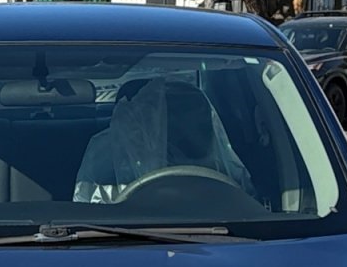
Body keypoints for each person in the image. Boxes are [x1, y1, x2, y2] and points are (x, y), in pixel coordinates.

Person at [73, 77, 253, 203]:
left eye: (200, 123)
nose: (190, 131)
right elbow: (90, 213)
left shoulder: (227, 166)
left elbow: (249, 207)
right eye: (177, 122)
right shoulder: (107, 164)